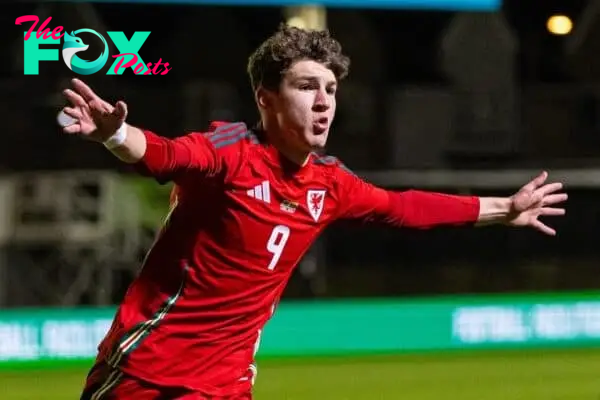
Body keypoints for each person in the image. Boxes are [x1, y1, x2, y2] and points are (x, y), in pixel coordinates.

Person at [60, 24, 567, 400]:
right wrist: (114, 134)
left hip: (225, 384)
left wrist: (504, 208)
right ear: (266, 99)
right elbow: (166, 154)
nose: (325, 102)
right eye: (307, 87)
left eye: (331, 90)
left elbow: (402, 207)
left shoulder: (329, 183)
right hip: (147, 372)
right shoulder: (230, 153)